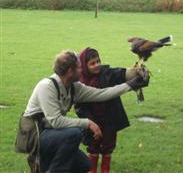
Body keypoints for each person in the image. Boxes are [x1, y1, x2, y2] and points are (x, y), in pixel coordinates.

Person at [21, 50, 149, 173]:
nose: (82, 70)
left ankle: (46, 166)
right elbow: (56, 121)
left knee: (84, 165)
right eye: (79, 67)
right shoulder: (47, 86)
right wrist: (88, 123)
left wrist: (131, 85)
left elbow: (102, 94)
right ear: (70, 71)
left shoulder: (73, 87)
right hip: (35, 136)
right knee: (74, 133)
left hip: (52, 134)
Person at [74, 47, 148, 173]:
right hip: (92, 121)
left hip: (109, 119)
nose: (97, 65)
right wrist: (90, 123)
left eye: (98, 61)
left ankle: (105, 170)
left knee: (108, 147)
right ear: (84, 66)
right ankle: (91, 170)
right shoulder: (79, 82)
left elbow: (120, 73)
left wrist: (136, 72)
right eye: (92, 63)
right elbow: (79, 107)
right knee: (93, 147)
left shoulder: (105, 72)